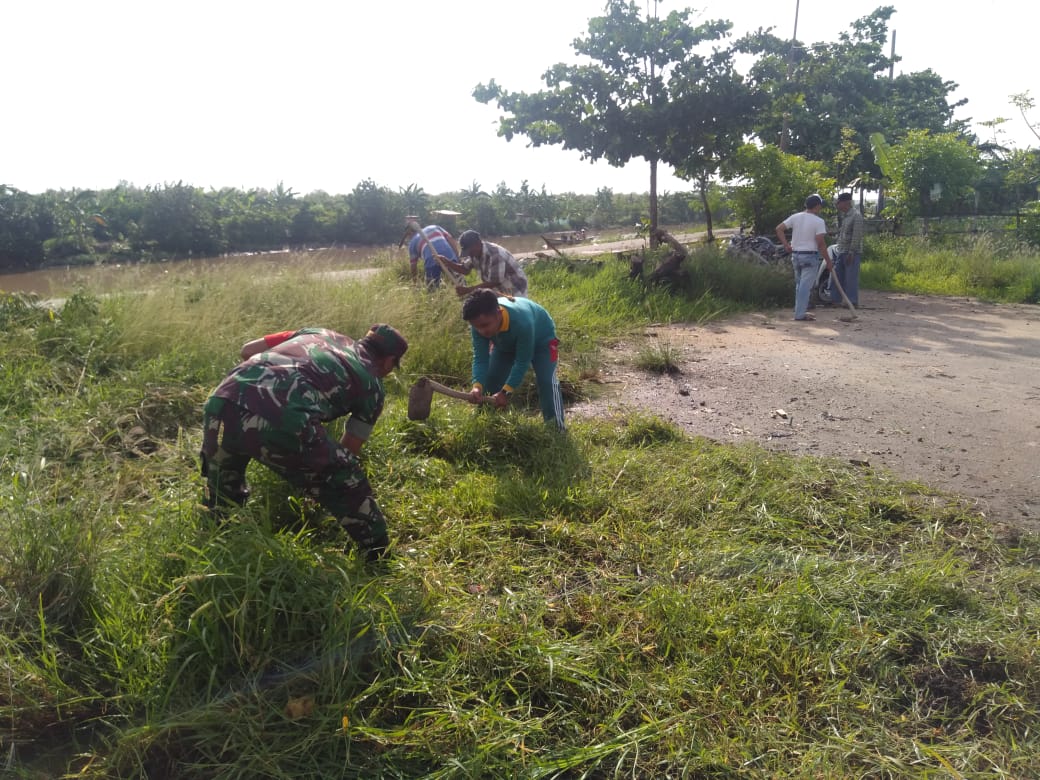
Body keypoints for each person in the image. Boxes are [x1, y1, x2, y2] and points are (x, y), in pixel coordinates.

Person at [199, 324, 408, 563]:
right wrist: (316, 476)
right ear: (389, 361)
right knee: (348, 478)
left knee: (223, 478)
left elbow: (248, 350)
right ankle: (377, 555)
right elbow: (350, 448)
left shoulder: (318, 332)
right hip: (283, 417)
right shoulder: (372, 385)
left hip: (223, 398)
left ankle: (218, 541)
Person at [461, 288, 564, 430]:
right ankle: (484, 425)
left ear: (498, 313)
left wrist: (505, 392)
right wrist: (477, 387)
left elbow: (522, 361)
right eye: (476, 327)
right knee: (490, 380)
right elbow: (480, 358)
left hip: (542, 341)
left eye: (485, 326)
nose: (481, 331)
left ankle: (557, 429)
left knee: (546, 381)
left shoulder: (522, 322)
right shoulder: (479, 324)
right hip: (506, 344)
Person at [776, 194, 832, 321]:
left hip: (796, 255)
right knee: (805, 287)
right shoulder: (818, 221)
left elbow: (779, 229)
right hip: (810, 257)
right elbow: (821, 243)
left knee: (800, 285)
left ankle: (799, 310)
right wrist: (828, 261)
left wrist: (786, 245)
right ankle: (800, 314)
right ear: (817, 206)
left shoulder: (795, 217)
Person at [443, 229, 529, 298]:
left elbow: (494, 282)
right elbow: (465, 270)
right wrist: (447, 262)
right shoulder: (475, 254)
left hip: (515, 288)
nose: (469, 254)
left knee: (513, 314)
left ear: (478, 244)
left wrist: (468, 290)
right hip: (499, 289)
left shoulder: (495, 255)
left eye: (470, 251)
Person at [402, 220, 462, 287]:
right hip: (449, 256)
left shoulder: (412, 243)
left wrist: (415, 283)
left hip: (431, 261)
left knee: (432, 288)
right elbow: (451, 240)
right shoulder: (434, 227)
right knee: (459, 282)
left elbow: (413, 267)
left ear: (409, 232)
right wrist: (457, 258)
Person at [830, 192, 865, 307]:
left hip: (851, 252)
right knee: (837, 275)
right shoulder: (845, 216)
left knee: (850, 278)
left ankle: (852, 301)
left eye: (839, 203)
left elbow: (856, 235)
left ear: (846, 203)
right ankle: (835, 299)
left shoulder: (856, 216)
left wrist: (852, 252)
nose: (837, 205)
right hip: (841, 250)